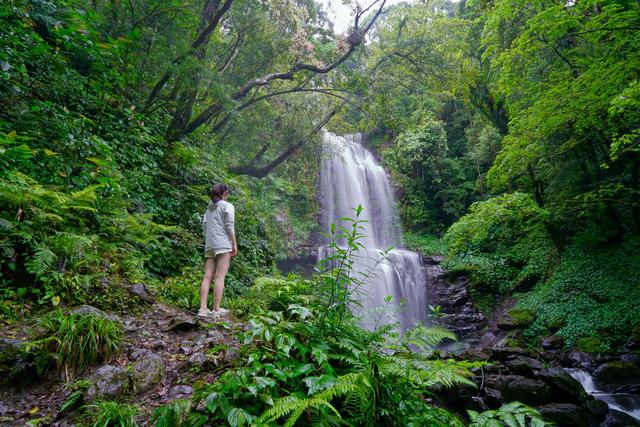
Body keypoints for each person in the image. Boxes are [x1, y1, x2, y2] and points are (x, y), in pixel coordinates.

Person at [198, 183, 237, 317]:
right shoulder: (228, 206)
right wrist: (234, 244)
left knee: (207, 276)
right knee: (220, 276)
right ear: (225, 193)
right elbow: (229, 226)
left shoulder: (209, 209)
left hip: (210, 245)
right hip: (223, 244)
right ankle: (216, 309)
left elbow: (204, 227)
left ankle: (202, 309)